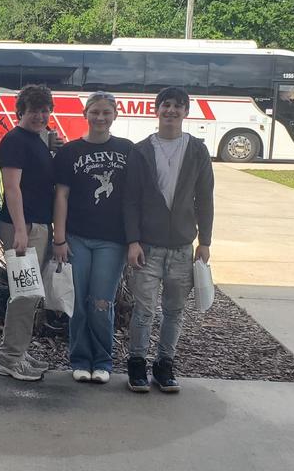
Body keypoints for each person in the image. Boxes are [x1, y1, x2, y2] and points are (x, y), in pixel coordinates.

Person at [124, 86, 214, 393]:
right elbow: (130, 200)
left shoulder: (198, 150)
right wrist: (132, 240)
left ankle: (165, 365)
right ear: (156, 110)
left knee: (175, 311)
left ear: (186, 112)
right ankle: (136, 364)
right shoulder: (140, 150)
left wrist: (205, 240)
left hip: (181, 247)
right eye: (166, 105)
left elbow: (205, 197)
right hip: (147, 246)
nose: (171, 111)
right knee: (144, 310)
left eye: (177, 106)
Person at [52, 91, 133, 384]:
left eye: (106, 112)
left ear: (114, 115)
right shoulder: (70, 152)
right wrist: (59, 238)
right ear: (85, 114)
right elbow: (61, 195)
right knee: (78, 302)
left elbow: (134, 197)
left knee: (101, 302)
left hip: (112, 241)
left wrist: (134, 238)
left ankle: (102, 360)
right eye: (95, 112)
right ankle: (80, 359)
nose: (100, 118)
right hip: (77, 237)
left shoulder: (127, 150)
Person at [0, 85, 56, 382]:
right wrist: (19, 228)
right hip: (23, 227)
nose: (40, 116)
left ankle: (18, 350)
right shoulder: (15, 141)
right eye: (34, 110)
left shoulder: (37, 139)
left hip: (37, 224)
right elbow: (12, 188)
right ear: (21, 112)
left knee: (30, 295)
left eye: (45, 110)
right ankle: (9, 359)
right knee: (25, 293)